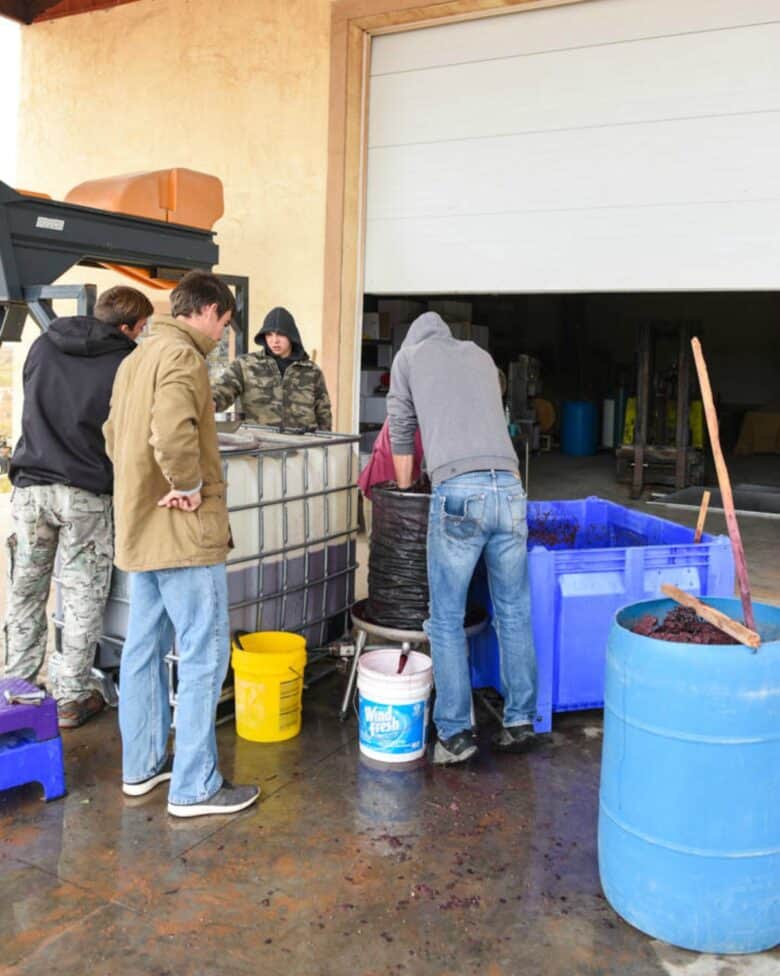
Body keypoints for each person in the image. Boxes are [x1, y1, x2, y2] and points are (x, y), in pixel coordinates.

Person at [103, 270, 259, 818]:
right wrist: (186, 485)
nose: (223, 335)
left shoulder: (134, 359)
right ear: (209, 310)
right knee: (203, 653)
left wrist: (148, 486)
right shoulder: (183, 357)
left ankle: (142, 767)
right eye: (225, 323)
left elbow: (110, 436)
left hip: (141, 530)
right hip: (183, 535)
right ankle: (195, 786)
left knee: (143, 650)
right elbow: (172, 431)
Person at [386, 311, 537, 765]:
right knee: (513, 610)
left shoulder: (408, 357)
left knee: (446, 617)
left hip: (460, 491)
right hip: (510, 487)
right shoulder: (479, 356)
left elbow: (400, 426)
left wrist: (407, 487)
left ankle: (455, 734)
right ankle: (520, 720)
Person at [4, 286, 152, 729]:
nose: (140, 337)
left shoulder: (44, 345)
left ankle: (16, 691)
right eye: (140, 329)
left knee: (25, 592)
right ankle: (70, 696)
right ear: (126, 326)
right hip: (85, 493)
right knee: (85, 594)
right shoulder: (125, 362)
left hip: (31, 486)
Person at [211, 306, 332, 430]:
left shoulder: (312, 371)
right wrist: (210, 402)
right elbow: (223, 389)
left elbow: (324, 414)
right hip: (261, 445)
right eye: (269, 335)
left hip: (303, 445)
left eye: (280, 334)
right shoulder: (246, 365)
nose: (274, 341)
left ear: (291, 335)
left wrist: (327, 445)